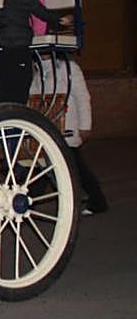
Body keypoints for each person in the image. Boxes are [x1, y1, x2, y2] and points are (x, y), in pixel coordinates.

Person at [31, 56, 107, 215]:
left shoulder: (69, 68)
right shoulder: (38, 71)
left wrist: (85, 125)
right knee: (46, 166)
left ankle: (96, 201)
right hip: (49, 126)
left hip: (67, 125)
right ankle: (30, 200)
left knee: (73, 166)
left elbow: (82, 97)